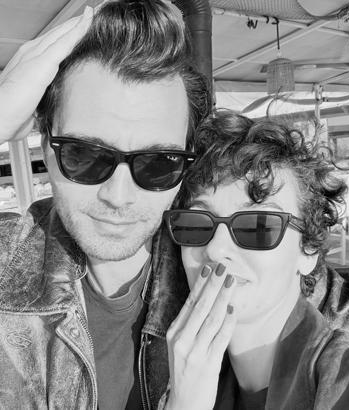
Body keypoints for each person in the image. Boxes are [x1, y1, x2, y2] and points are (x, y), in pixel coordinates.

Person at [0, 1, 210, 407]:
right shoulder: (7, 266)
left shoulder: (224, 260)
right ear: (46, 149)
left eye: (158, 163)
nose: (118, 196)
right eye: (85, 155)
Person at [158, 109, 349, 409]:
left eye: (257, 226)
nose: (216, 249)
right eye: (196, 224)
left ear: (308, 250)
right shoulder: (177, 378)